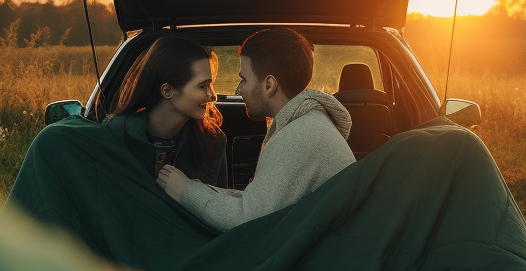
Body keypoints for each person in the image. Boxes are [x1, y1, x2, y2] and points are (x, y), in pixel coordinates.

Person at [159, 27, 353, 231]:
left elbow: (249, 220)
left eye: (243, 79)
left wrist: (185, 190)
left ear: (269, 84)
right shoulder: (307, 124)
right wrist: (199, 188)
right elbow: (258, 203)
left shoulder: (299, 137)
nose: (239, 89)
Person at [105, 35, 229, 187]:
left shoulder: (213, 141)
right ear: (168, 90)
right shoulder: (116, 132)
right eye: (203, 86)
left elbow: (216, 201)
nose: (212, 95)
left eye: (211, 85)